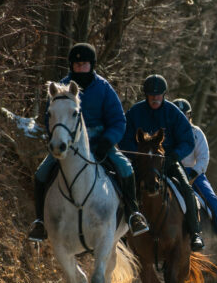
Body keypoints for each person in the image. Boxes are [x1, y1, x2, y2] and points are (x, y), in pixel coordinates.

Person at [27, 43, 149, 241]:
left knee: (126, 168)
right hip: (68, 144)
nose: (80, 68)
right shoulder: (60, 89)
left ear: (91, 65)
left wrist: (107, 141)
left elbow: (118, 121)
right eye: (77, 65)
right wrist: (56, 138)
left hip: (101, 141)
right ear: (71, 65)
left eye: (84, 64)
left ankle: (133, 214)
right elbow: (50, 119)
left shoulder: (104, 88)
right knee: (41, 173)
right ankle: (40, 221)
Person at [119, 74, 205, 251]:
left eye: (158, 95)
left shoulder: (173, 113)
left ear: (164, 94)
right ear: (146, 95)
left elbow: (188, 140)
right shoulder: (135, 112)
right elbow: (124, 137)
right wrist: (137, 154)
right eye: (151, 95)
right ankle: (120, 233)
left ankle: (195, 232)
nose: (155, 98)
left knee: (186, 188)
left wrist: (175, 155)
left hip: (168, 161)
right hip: (142, 162)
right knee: (122, 185)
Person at [172, 98, 217, 257]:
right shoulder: (166, 132)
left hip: (194, 173)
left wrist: (194, 173)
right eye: (177, 115)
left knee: (212, 199)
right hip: (170, 171)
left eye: (184, 115)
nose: (181, 118)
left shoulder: (197, 133)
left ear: (189, 115)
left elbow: (203, 158)